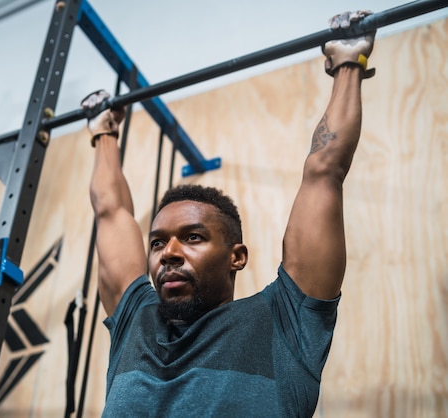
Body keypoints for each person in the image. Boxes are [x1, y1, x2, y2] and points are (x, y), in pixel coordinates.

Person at [81, 10, 375, 417]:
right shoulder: (136, 320)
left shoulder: (282, 323)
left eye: (193, 237)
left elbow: (324, 171)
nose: (168, 251)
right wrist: (103, 131)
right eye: (158, 242)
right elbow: (110, 212)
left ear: (237, 256)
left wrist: (349, 61)